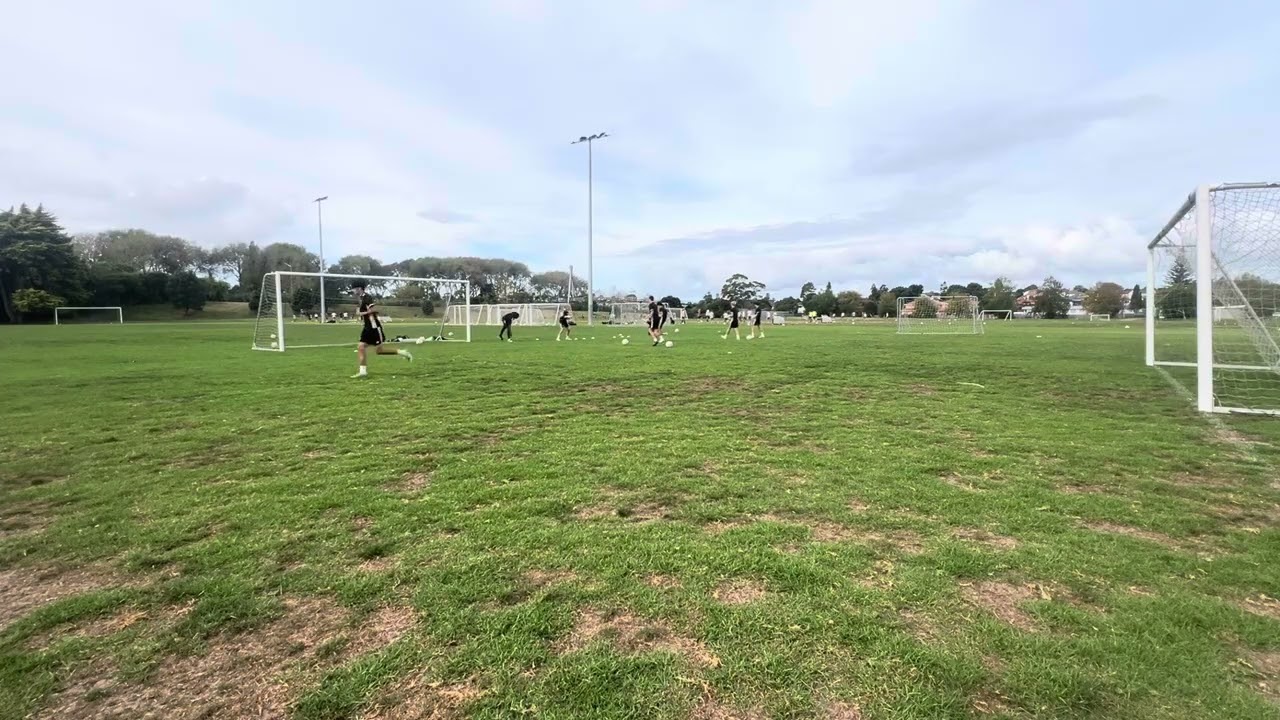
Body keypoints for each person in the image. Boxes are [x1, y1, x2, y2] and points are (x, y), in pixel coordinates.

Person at [352, 281, 411, 378]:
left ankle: (402, 352)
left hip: (374, 328)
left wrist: (362, 313)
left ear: (359, 288)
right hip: (367, 327)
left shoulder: (367, 297)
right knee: (361, 347)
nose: (352, 290)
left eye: (354, 288)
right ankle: (363, 371)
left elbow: (375, 309)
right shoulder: (361, 298)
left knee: (379, 351)